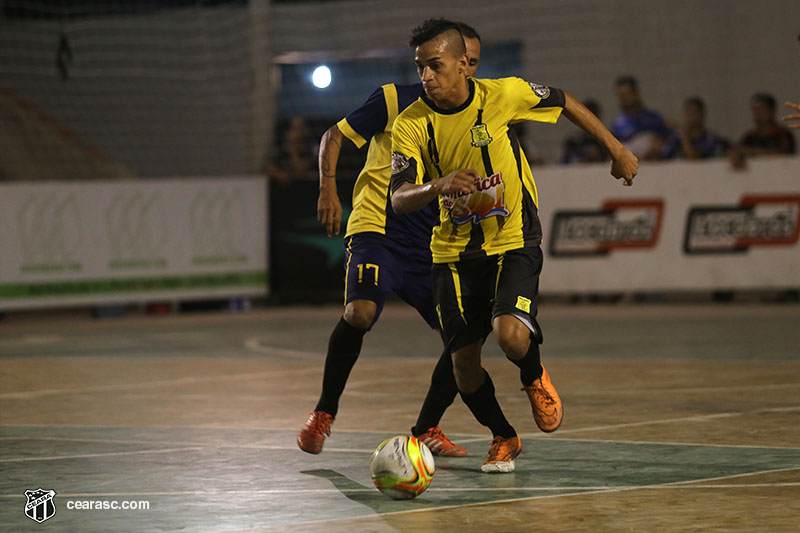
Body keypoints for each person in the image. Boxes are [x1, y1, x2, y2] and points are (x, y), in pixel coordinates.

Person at [390, 18, 638, 473]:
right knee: (463, 366)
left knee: (510, 336)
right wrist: (438, 185)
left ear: (463, 65)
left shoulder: (503, 95)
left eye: (435, 65)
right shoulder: (411, 124)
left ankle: (533, 375)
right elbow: (399, 197)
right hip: (453, 255)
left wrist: (616, 149)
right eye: (419, 66)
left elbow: (563, 101)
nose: (425, 76)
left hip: (513, 240)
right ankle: (504, 435)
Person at [297, 22, 484, 457]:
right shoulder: (396, 100)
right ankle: (323, 413)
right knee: (360, 311)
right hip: (377, 224)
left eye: (474, 62)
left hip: (428, 241)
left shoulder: (476, 116)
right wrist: (328, 188)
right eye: (435, 63)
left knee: (465, 339)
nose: (467, 68)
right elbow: (333, 136)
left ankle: (427, 428)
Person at [610, 76, 672, 160]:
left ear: (636, 93)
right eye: (620, 95)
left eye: (627, 94)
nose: (624, 99)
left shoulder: (654, 119)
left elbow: (666, 144)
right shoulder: (617, 125)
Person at [730, 93, 797, 169]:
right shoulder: (749, 137)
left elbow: (785, 156)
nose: (757, 114)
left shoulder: (783, 134)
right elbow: (738, 150)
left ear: (772, 111)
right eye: (755, 110)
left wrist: (754, 153)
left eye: (761, 109)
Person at [661, 97, 729, 159]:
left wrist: (684, 135)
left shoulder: (710, 139)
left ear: (702, 115)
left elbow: (694, 158)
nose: (691, 117)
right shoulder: (676, 138)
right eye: (688, 113)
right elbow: (662, 156)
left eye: (694, 112)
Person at [559, 99, 609, 163]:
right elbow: (563, 163)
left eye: (594, 117)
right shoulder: (573, 142)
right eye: (587, 118)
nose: (591, 122)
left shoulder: (606, 142)